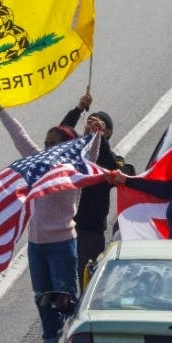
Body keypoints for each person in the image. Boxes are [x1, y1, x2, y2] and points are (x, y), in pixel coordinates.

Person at [0, 90, 101, 343]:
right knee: (43, 299)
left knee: (65, 299)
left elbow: (91, 156)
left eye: (54, 143)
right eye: (46, 142)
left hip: (62, 244)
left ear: (66, 147)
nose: (47, 147)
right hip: (36, 246)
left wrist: (95, 134)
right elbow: (20, 137)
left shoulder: (74, 171)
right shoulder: (38, 165)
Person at [60, 93, 133, 282]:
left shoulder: (112, 157)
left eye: (99, 125)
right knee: (64, 279)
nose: (92, 126)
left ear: (107, 132)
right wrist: (78, 109)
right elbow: (61, 133)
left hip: (90, 230)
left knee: (88, 279)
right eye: (90, 122)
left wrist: (99, 138)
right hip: (66, 225)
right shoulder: (74, 151)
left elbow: (113, 169)